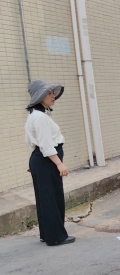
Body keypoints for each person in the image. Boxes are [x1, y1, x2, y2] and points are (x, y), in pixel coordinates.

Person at [25, 79, 75, 246]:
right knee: (51, 198)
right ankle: (55, 237)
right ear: (39, 96)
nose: (53, 96)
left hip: (41, 159)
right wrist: (59, 164)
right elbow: (45, 144)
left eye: (53, 93)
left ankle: (47, 234)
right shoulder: (39, 117)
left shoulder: (37, 114)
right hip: (46, 159)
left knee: (45, 198)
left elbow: (34, 141)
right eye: (49, 93)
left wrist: (34, 161)